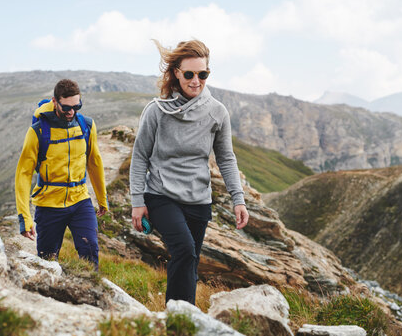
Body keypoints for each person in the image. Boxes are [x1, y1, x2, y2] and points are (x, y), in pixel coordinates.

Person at [129, 39, 249, 305]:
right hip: (162, 196)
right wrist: (138, 202)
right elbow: (139, 158)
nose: (196, 80)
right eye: (189, 74)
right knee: (184, 250)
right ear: (176, 73)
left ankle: (183, 320)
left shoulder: (217, 112)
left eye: (203, 74)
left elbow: (226, 158)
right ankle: (178, 323)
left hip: (198, 201)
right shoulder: (156, 111)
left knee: (189, 264)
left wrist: (238, 199)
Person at [15, 78, 108, 267]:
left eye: (77, 106)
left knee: (90, 252)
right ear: (55, 101)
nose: (72, 112)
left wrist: (102, 198)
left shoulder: (87, 126)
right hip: (48, 205)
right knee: (47, 262)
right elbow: (23, 174)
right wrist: (24, 217)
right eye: (66, 108)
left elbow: (94, 163)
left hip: (80, 200)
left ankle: (91, 295)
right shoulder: (37, 132)